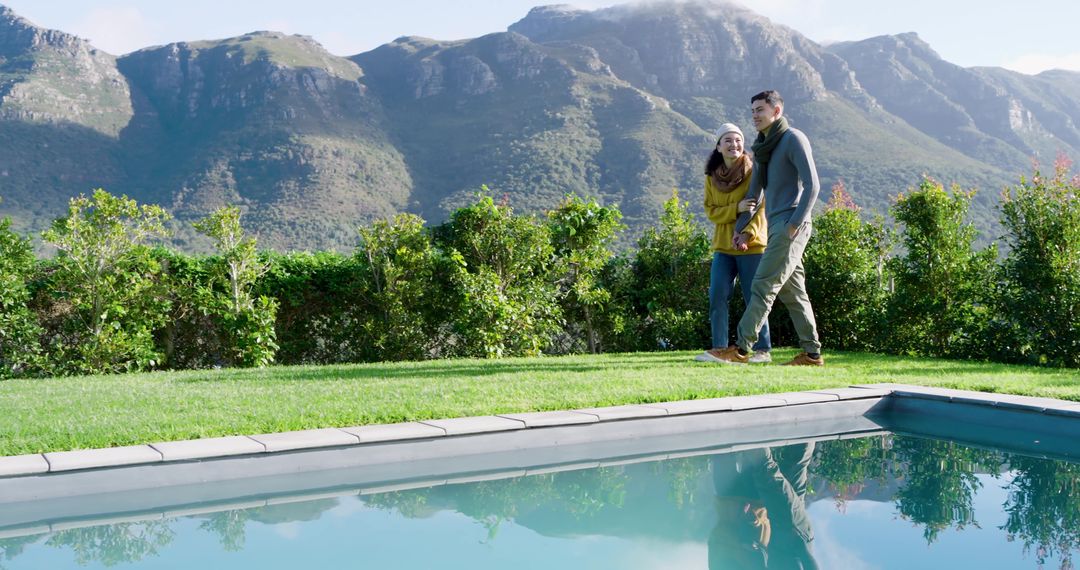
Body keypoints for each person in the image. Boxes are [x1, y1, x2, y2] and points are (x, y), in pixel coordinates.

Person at [712, 90, 824, 366]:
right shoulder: (763, 147)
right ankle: (812, 354)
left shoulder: (793, 139)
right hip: (775, 225)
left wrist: (795, 224)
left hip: (790, 224)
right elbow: (754, 195)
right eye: (752, 111)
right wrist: (740, 227)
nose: (754, 115)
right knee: (793, 292)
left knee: (762, 285)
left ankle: (740, 349)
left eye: (760, 110)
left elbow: (813, 185)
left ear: (776, 111)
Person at [695, 123, 772, 364]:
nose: (733, 144)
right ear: (718, 146)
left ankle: (762, 349)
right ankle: (720, 347)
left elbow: (759, 208)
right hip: (723, 246)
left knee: (754, 298)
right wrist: (734, 209)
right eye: (727, 140)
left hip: (751, 245)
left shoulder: (753, 172)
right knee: (717, 295)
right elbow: (710, 210)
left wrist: (747, 234)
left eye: (738, 140)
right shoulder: (712, 176)